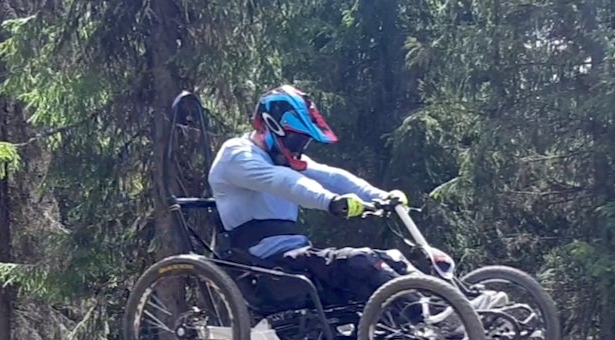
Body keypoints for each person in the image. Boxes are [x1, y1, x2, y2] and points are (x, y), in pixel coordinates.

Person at [207, 84, 506, 313]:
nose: (302, 147)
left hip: (296, 261)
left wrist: (381, 197)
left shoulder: (284, 158)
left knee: (394, 260)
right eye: (299, 139)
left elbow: (335, 177)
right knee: (363, 262)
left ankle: (460, 307)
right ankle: (430, 318)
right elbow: (285, 183)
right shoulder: (238, 155)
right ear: (273, 127)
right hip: (267, 267)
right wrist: (330, 202)